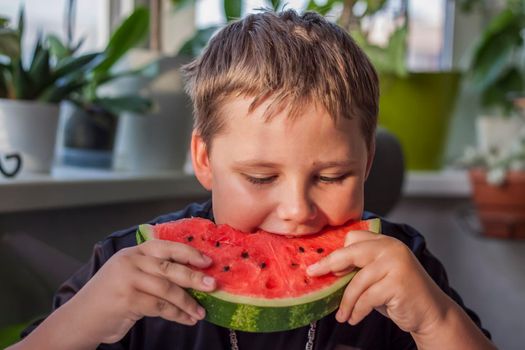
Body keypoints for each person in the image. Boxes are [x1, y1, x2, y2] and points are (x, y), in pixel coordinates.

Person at [10, 10, 495, 350]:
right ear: (204, 157)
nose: (297, 210)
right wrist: (80, 324)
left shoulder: (400, 265)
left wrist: (438, 321)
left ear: (367, 160)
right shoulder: (131, 270)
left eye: (331, 176)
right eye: (261, 177)